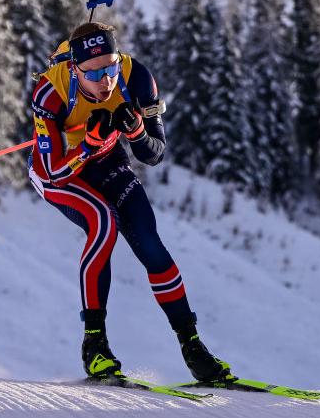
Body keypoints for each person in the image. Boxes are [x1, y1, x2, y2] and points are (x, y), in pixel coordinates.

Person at [27, 21, 229, 382]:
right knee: (102, 223)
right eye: (95, 73)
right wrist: (87, 144)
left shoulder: (136, 78)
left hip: (106, 162)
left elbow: (154, 154)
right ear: (75, 69)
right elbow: (51, 171)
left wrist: (135, 131)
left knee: (150, 244)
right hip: (61, 174)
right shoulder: (50, 92)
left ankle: (193, 345)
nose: (106, 81)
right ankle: (95, 345)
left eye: (111, 66)